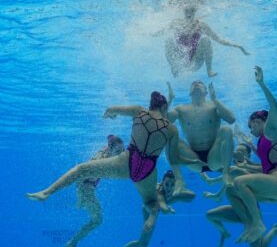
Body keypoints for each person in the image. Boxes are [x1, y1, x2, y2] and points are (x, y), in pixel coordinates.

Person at [27, 91, 180, 238]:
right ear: (164, 108)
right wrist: (180, 180)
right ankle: (153, 215)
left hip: (127, 162)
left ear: (150, 105)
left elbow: (111, 109)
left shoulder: (139, 111)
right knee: (150, 202)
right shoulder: (172, 129)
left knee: (81, 169)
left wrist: (109, 114)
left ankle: (46, 193)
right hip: (147, 170)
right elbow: (173, 159)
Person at [227, 66, 277, 244]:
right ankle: (250, 225)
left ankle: (258, 223)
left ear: (259, 121)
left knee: (240, 181)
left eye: (252, 125)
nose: (251, 128)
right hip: (274, 188)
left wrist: (261, 83)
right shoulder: (263, 139)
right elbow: (264, 162)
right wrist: (246, 144)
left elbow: (274, 105)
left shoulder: (271, 130)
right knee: (233, 190)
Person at [167, 81, 236, 193]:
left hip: (214, 156)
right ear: (189, 92)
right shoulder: (181, 109)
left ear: (206, 91)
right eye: (193, 83)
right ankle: (179, 179)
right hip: (193, 158)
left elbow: (231, 119)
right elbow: (162, 122)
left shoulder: (214, 106)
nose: (196, 84)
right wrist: (169, 100)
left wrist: (215, 100)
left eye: (200, 83)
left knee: (226, 130)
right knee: (169, 132)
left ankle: (226, 173)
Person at [66, 135, 125, 247]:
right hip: (86, 189)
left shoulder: (109, 153)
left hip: (87, 188)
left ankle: (72, 242)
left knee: (94, 217)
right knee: (97, 220)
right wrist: (80, 194)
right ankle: (72, 243)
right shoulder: (100, 160)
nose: (121, 154)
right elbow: (80, 174)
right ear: (110, 150)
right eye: (118, 151)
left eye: (122, 150)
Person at [163, 4, 250, 77]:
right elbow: (160, 32)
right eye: (186, 11)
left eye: (192, 11)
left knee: (206, 40)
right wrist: (150, 33)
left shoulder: (201, 24)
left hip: (195, 62)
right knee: (168, 41)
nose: (189, 14)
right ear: (183, 11)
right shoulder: (176, 23)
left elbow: (219, 39)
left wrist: (238, 46)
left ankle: (209, 70)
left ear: (195, 12)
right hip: (180, 60)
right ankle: (174, 67)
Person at [125, 170, 195, 247]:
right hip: (149, 207)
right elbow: (164, 210)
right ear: (162, 182)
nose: (169, 187)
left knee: (144, 243)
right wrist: (169, 209)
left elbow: (192, 196)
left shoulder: (174, 188)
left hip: (159, 205)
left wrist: (179, 190)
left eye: (172, 184)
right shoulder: (160, 192)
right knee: (142, 243)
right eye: (167, 184)